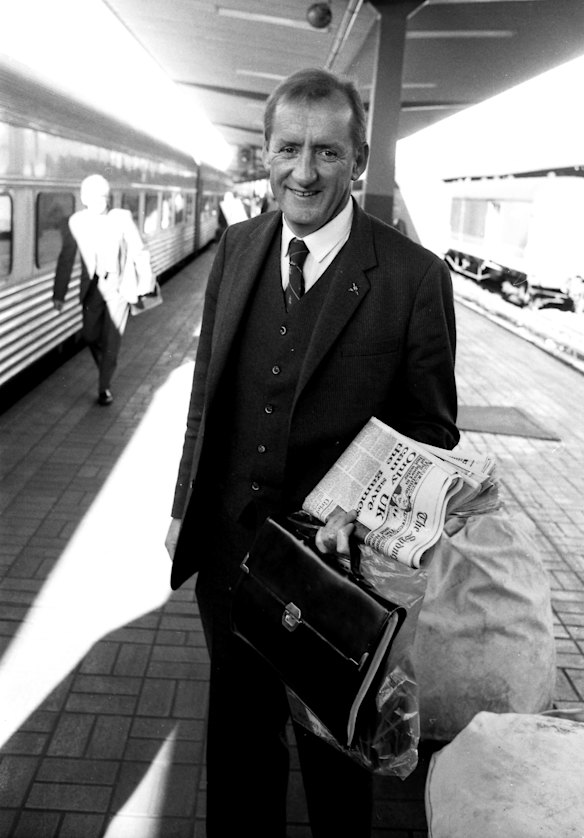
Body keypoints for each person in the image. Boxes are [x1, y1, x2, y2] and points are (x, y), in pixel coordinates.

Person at [165, 68, 459, 838]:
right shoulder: (236, 247)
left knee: (334, 764)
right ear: (263, 152)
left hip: (339, 580)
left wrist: (360, 516)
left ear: (358, 158)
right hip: (230, 559)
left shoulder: (413, 277)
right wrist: (180, 507)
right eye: (288, 148)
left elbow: (432, 433)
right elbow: (208, 397)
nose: (304, 172)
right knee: (237, 747)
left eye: (327, 153)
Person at [53, 174, 153, 405]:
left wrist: (145, 284)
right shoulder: (75, 222)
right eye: (95, 197)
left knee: (111, 340)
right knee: (89, 336)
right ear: (84, 198)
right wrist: (59, 294)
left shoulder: (122, 218)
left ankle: (104, 387)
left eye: (104, 197)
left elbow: (140, 250)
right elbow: (66, 258)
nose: (100, 201)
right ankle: (106, 368)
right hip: (92, 289)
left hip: (117, 289)